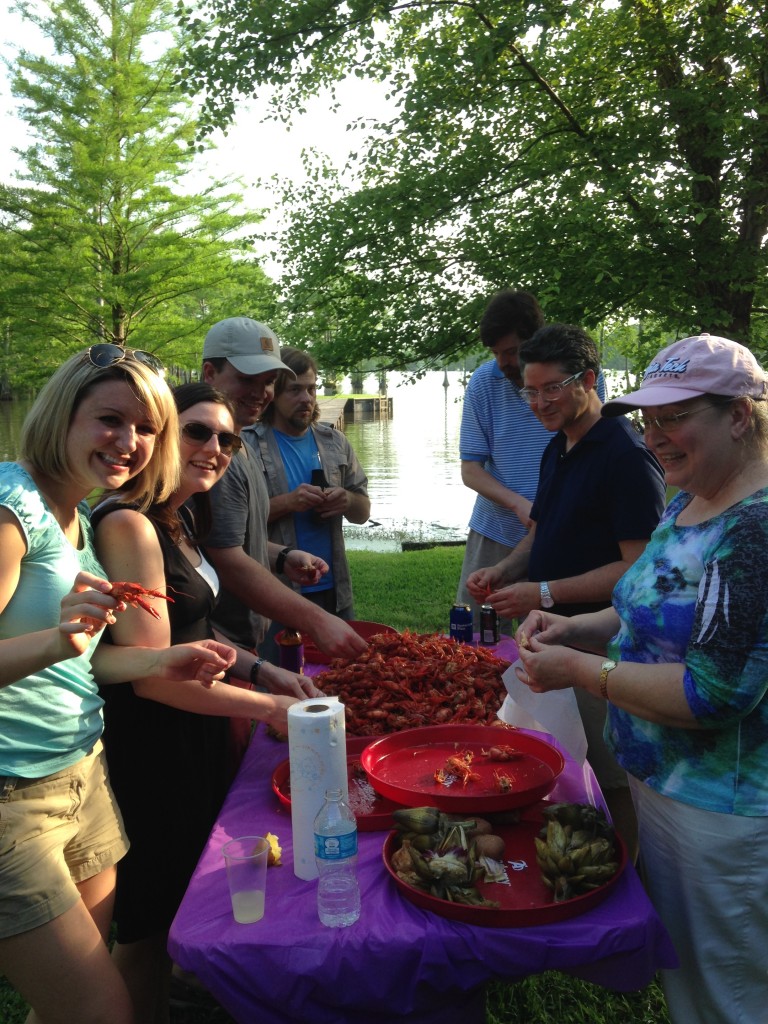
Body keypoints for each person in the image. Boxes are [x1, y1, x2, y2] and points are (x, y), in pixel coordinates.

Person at [512, 333, 768, 1024]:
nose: (655, 436)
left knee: (731, 994)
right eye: (649, 419)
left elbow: (713, 692)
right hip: (664, 784)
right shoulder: (687, 501)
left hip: (725, 810)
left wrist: (579, 670)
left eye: (676, 418)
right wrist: (579, 626)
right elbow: (644, 609)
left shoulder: (754, 529)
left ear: (739, 416)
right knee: (690, 979)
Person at [0, 346, 234, 1024]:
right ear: (62, 415)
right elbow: (58, 646)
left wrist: (162, 661)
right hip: (13, 802)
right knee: (104, 1011)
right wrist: (56, 639)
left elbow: (83, 664)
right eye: (109, 419)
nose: (129, 442)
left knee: (80, 993)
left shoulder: (75, 516)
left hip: (83, 775)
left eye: (147, 428)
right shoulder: (13, 505)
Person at [91, 381, 316, 1024]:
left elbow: (193, 632)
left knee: (171, 914)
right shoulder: (129, 523)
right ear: (159, 433)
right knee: (143, 928)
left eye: (227, 438)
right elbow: (153, 676)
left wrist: (263, 669)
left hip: (195, 728)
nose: (215, 448)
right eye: (196, 431)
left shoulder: (180, 516)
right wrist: (268, 709)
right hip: (152, 743)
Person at [467, 324, 666, 854]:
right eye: (529, 391)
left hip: (607, 649)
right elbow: (544, 529)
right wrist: (507, 570)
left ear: (589, 380)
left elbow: (640, 566)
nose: (538, 403)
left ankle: (628, 883)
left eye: (551, 388)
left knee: (614, 779)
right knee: (558, 767)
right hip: (551, 644)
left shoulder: (624, 455)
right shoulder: (559, 445)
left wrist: (545, 592)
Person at [200, 316, 368, 662]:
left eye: (268, 381)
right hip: (228, 630)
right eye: (247, 379)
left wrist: (282, 555)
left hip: (312, 594)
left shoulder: (328, 441)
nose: (260, 392)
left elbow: (233, 540)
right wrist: (317, 620)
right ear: (209, 375)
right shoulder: (218, 451)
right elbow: (224, 556)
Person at [456, 289, 607, 632]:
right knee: (476, 628)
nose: (502, 363)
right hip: (494, 530)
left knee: (546, 627)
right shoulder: (483, 382)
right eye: (495, 353)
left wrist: (550, 513)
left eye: (510, 352)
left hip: (560, 531)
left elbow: (593, 448)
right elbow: (470, 470)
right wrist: (520, 505)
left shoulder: (579, 380)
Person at [245, 347, 370, 656]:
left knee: (342, 681)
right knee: (282, 686)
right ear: (272, 392)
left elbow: (363, 512)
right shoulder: (247, 445)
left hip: (334, 591)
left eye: (311, 389)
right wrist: (289, 502)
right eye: (295, 390)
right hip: (274, 594)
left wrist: (346, 500)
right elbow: (234, 525)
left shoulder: (334, 441)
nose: (307, 398)